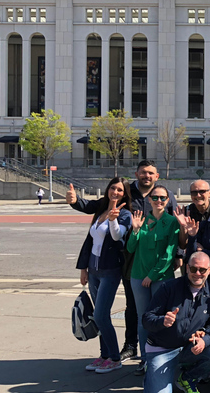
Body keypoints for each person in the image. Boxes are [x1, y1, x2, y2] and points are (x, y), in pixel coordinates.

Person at [69, 160, 178, 368]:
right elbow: (93, 207)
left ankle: (156, 353)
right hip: (131, 261)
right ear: (136, 174)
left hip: (156, 267)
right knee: (133, 307)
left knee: (156, 312)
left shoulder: (166, 197)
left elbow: (174, 232)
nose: (147, 176)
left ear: (157, 176)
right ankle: (130, 346)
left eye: (151, 173)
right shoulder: (125, 195)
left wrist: (178, 256)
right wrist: (75, 202)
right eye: (143, 172)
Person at [142, 252, 210, 393]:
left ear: (209, 270)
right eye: (194, 269)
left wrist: (205, 339)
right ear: (187, 268)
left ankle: (187, 377)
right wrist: (162, 320)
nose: (198, 274)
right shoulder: (169, 287)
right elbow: (147, 319)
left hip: (188, 349)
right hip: (162, 349)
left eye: (202, 270)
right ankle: (151, 372)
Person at [126, 185, 190, 375]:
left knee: (162, 318)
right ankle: (145, 359)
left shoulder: (171, 222)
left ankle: (161, 355)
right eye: (155, 198)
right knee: (142, 318)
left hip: (161, 277)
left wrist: (152, 275)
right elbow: (130, 249)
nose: (159, 201)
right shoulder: (142, 220)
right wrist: (135, 231)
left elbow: (170, 252)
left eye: (162, 198)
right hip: (138, 275)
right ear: (150, 200)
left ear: (168, 200)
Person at [75, 177, 133, 374]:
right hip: (94, 271)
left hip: (110, 272)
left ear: (124, 194)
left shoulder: (124, 214)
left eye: (119, 190)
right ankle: (104, 355)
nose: (115, 192)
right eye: (112, 188)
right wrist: (84, 269)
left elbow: (118, 237)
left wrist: (113, 219)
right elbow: (90, 242)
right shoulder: (100, 209)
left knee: (100, 315)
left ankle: (115, 358)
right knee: (99, 317)